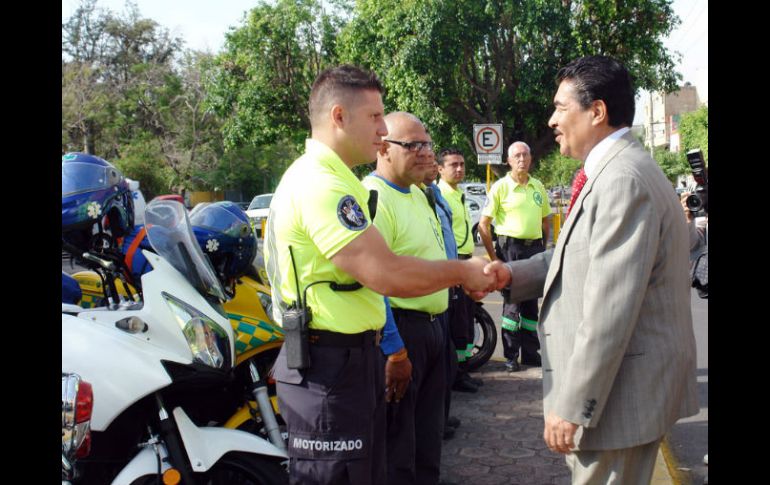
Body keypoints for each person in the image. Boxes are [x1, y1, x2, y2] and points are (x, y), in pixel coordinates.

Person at [264, 65, 496, 485]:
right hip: (329, 365)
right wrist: (463, 270)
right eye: (374, 117)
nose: (381, 127)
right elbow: (385, 271)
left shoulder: (337, 180)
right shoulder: (321, 185)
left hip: (348, 360)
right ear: (338, 116)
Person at [482, 55, 698, 484]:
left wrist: (572, 405)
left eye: (561, 108)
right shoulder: (612, 173)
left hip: (616, 403)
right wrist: (511, 276)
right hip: (619, 398)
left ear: (597, 111)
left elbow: (609, 312)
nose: (551, 120)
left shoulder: (621, 180)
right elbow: (576, 253)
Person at [362, 111, 451, 485]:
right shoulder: (374, 198)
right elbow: (373, 281)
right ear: (383, 147)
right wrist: (395, 350)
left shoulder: (416, 194)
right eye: (412, 145)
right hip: (403, 331)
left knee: (429, 435)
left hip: (435, 328)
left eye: (426, 144)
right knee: (399, 443)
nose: (423, 152)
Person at [478, 141, 551, 372]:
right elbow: (483, 225)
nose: (522, 159)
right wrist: (494, 258)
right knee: (512, 306)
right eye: (517, 156)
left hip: (534, 249)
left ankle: (530, 353)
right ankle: (511, 356)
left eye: (525, 155)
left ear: (531, 158)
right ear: (508, 161)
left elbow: (545, 220)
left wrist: (544, 246)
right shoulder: (500, 187)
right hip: (510, 249)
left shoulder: (538, 186)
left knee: (531, 306)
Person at [422, 154, 463, 442]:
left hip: (445, 289)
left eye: (428, 150)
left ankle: (440, 420)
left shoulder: (432, 194)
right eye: (417, 149)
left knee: (446, 364)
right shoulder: (386, 195)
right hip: (418, 307)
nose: (424, 156)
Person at [437, 148, 484, 391]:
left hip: (465, 262)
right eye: (453, 164)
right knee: (457, 323)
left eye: (462, 164)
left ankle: (463, 371)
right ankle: (456, 375)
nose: (459, 169)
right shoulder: (441, 195)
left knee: (465, 320)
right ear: (440, 169)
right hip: (454, 265)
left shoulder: (457, 193)